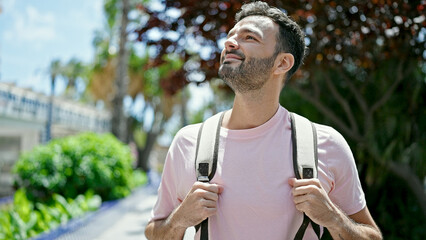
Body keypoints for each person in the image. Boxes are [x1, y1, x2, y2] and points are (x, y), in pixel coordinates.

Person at [145, 1, 382, 239]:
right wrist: (179, 220)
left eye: (250, 37)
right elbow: (154, 232)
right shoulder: (188, 141)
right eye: (230, 36)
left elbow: (372, 235)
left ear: (282, 63)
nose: (229, 42)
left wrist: (333, 218)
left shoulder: (326, 143)